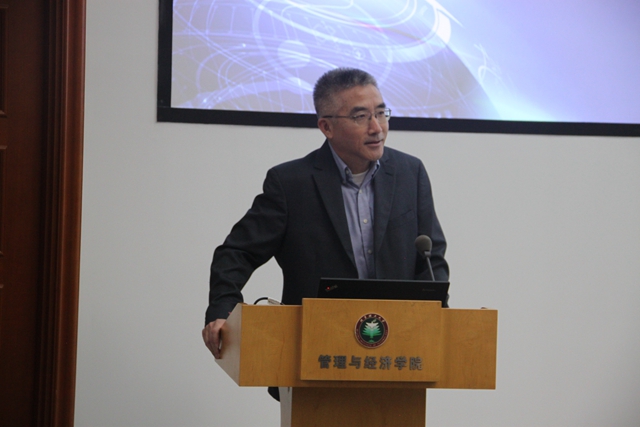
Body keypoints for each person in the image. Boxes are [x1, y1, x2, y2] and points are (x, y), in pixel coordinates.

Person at [202, 68, 449, 388]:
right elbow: (237, 253)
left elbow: (431, 255)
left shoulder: (409, 173)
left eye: (381, 113)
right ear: (326, 127)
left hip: (397, 354)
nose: (377, 128)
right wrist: (222, 311)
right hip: (316, 353)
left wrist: (437, 319)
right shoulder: (291, 183)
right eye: (361, 117)